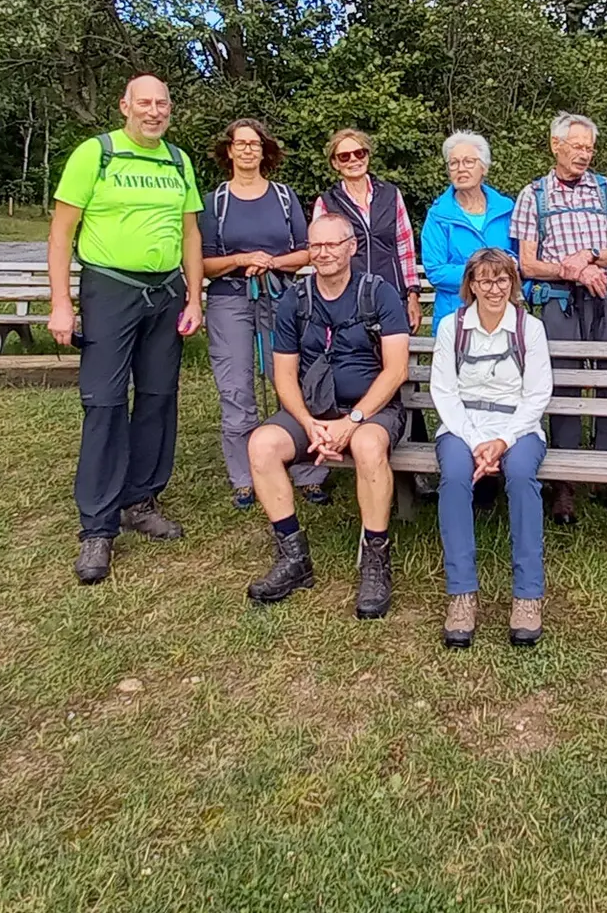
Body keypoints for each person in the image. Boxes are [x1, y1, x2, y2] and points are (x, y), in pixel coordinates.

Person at [47, 74, 204, 585]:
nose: (153, 112)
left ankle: (142, 499)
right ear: (125, 107)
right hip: (110, 288)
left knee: (159, 397)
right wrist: (61, 304)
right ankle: (97, 526)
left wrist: (195, 297)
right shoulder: (96, 155)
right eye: (144, 103)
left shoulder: (177, 162)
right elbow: (61, 233)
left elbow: (190, 233)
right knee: (105, 402)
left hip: (166, 293)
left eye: (162, 104)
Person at [243, 212, 413, 616]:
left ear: (352, 247)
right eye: (315, 246)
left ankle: (375, 561)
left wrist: (351, 422)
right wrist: (309, 425)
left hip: (372, 412)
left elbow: (396, 370)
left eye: (332, 244)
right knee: (262, 444)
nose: (323, 253)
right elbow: (283, 375)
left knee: (369, 446)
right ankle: (293, 558)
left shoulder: (379, 293)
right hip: (314, 412)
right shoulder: (295, 299)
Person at [511, 112, 607, 526]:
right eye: (577, 146)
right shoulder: (534, 195)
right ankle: (563, 484)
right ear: (555, 145)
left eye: (589, 147)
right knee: (560, 383)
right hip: (559, 300)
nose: (584, 154)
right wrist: (572, 270)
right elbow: (528, 264)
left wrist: (590, 258)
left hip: (606, 298)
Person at [198, 118, 327, 510]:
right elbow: (201, 263)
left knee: (291, 380)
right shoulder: (214, 202)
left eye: (255, 144)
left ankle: (308, 470)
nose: (248, 150)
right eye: (241, 144)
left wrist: (272, 262)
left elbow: (307, 251)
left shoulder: (284, 198)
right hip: (229, 300)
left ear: (264, 150)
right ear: (230, 151)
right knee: (235, 386)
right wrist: (240, 259)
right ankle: (244, 476)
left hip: (281, 298)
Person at [429, 247, 553, 649]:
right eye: (485, 280)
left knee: (520, 476)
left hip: (517, 428)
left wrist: (502, 441)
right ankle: (462, 594)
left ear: (513, 284)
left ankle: (528, 596)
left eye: (502, 280)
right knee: (453, 477)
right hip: (463, 427)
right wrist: (475, 440)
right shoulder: (453, 326)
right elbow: (443, 391)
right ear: (471, 285)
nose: (494, 288)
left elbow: (537, 394)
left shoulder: (528, 328)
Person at [313, 128, 423, 330]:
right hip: (345, 299)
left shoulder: (391, 194)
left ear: (367, 156)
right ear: (335, 163)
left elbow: (404, 247)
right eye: (344, 156)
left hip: (391, 295)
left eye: (359, 153)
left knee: (394, 359)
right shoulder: (327, 202)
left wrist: (413, 295)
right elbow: (321, 255)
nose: (353, 160)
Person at [420, 131, 516, 330]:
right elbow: (436, 271)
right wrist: (484, 273)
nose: (460, 169)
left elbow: (521, 257)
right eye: (454, 163)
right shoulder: (438, 215)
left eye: (468, 162)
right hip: (455, 317)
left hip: (503, 314)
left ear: (484, 167)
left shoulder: (507, 209)